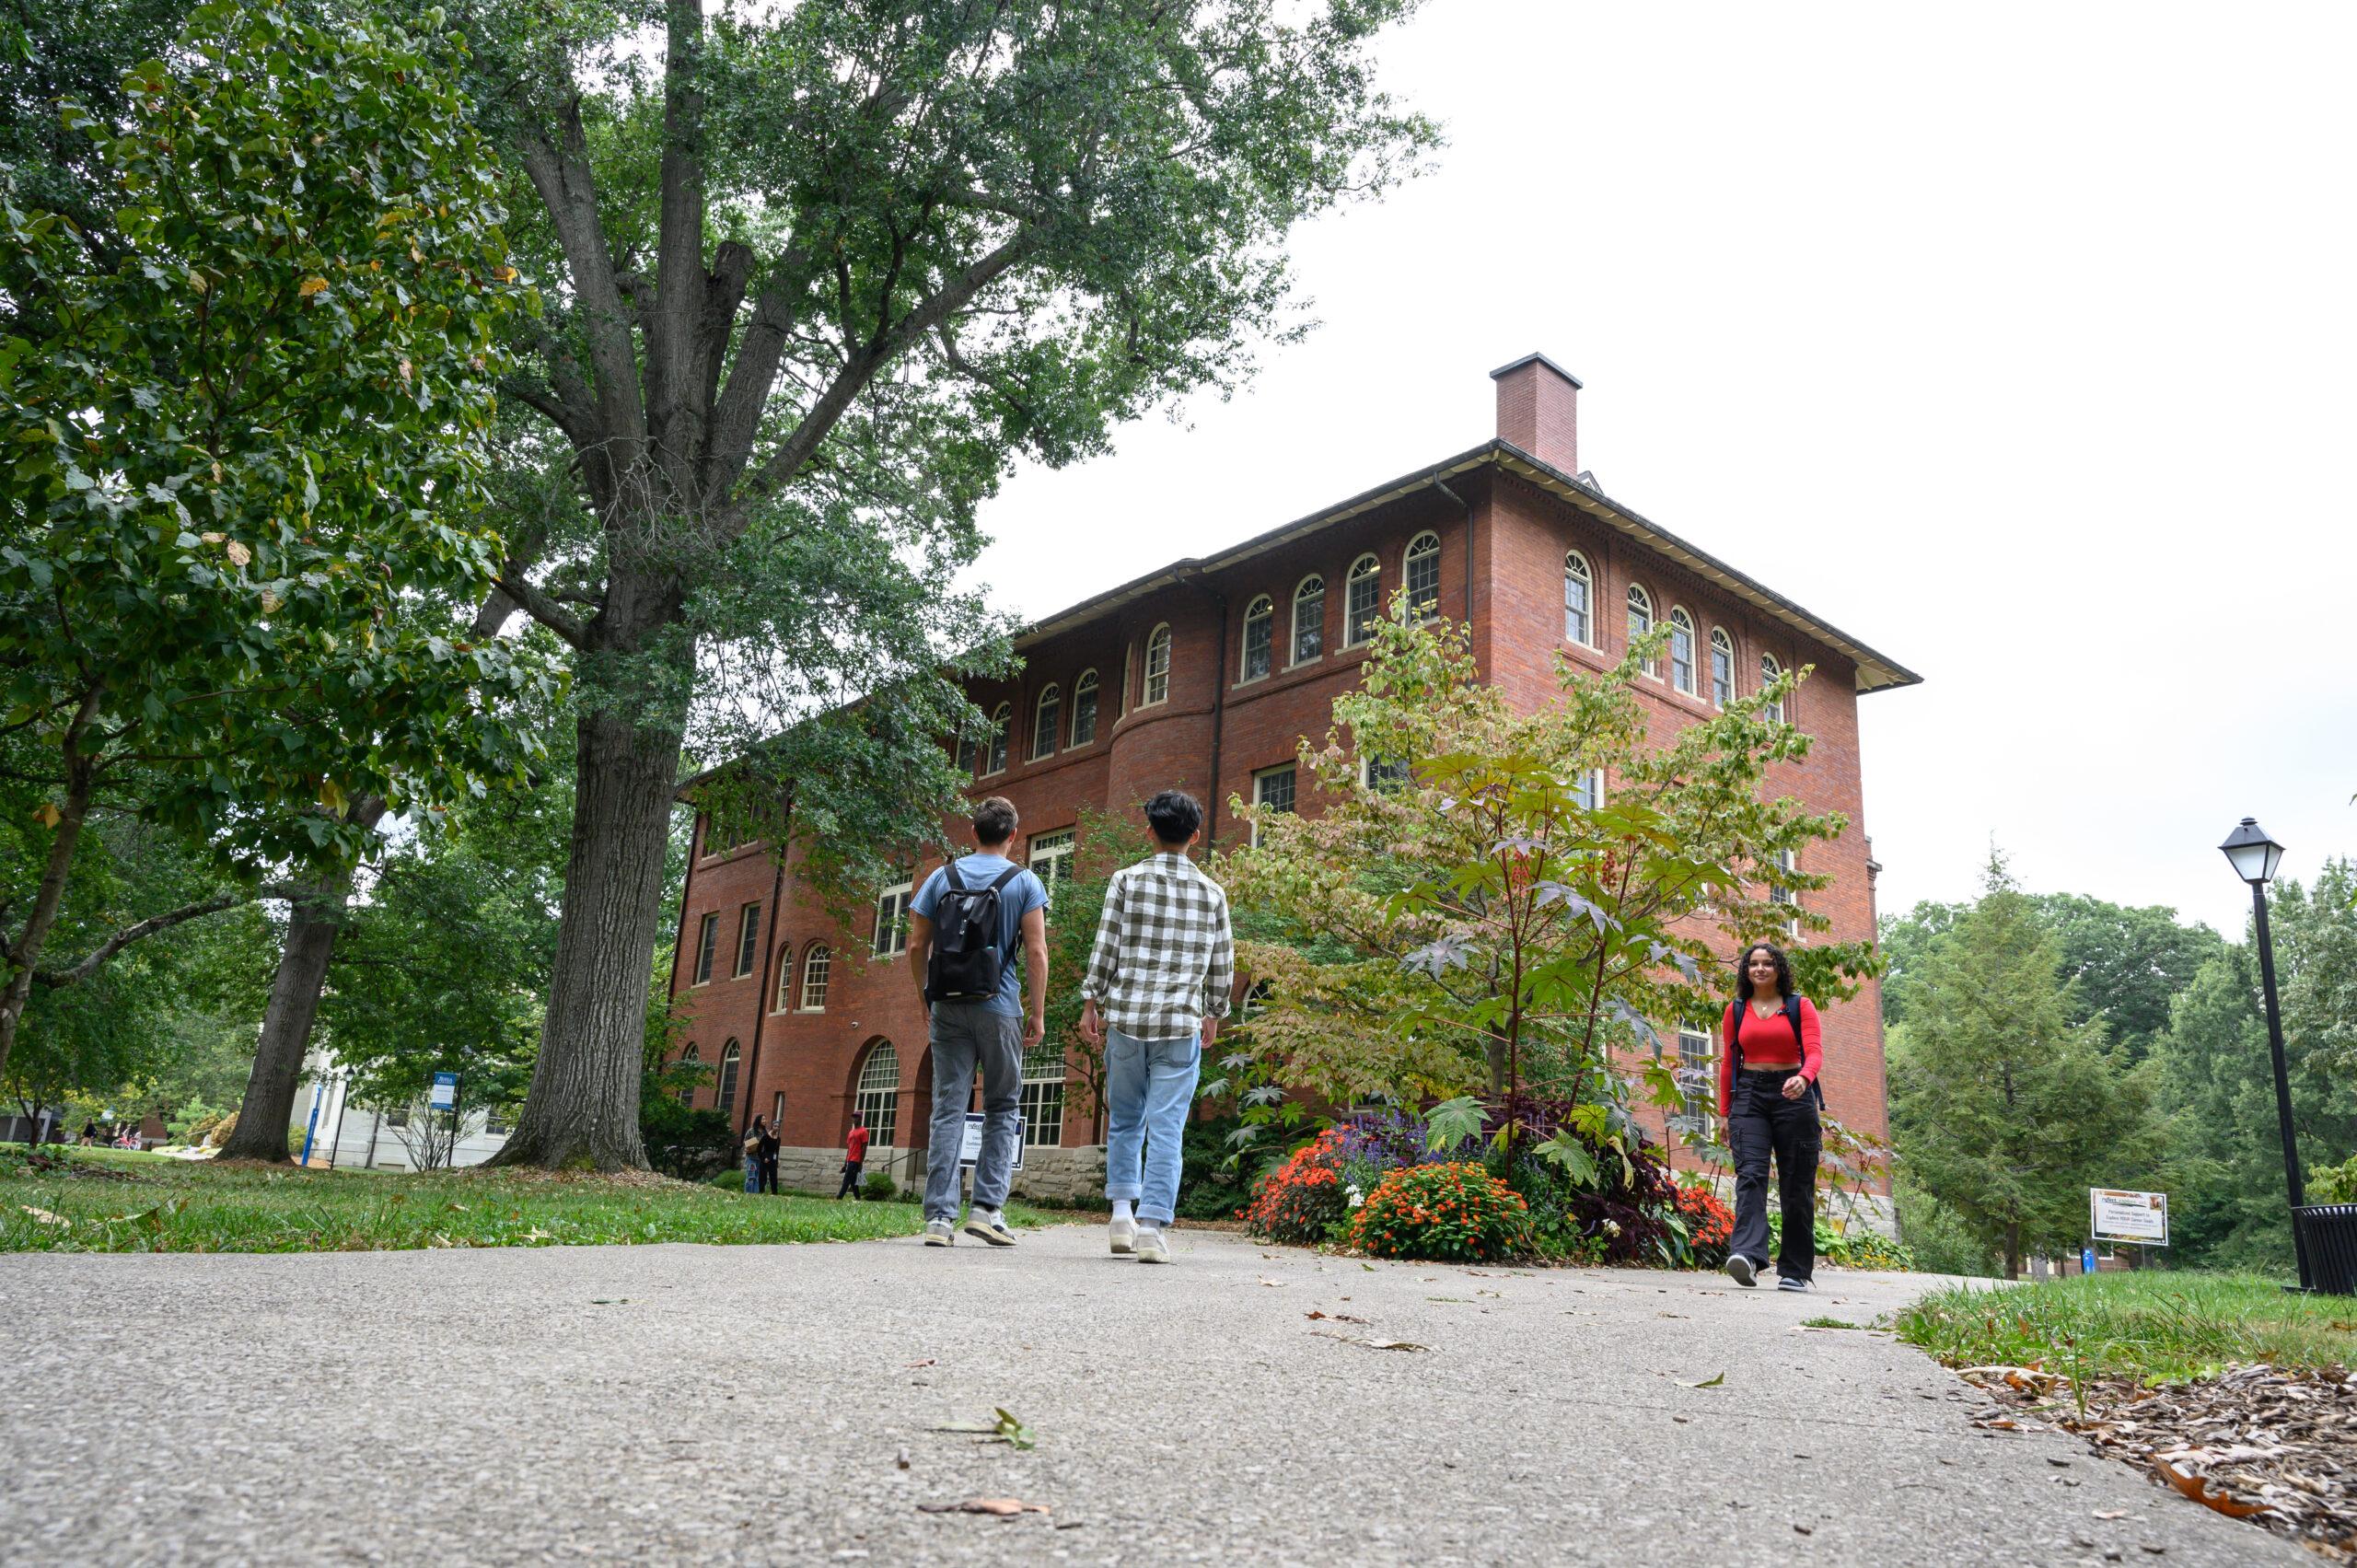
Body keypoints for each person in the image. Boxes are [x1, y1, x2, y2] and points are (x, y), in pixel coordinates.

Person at [1079, 789, 1235, 1265]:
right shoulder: (1212, 893)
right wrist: (1213, 1013)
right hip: (1180, 1025)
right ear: (1194, 835)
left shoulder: (1125, 881)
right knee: (1168, 1128)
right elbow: (1222, 964)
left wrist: (1092, 1002)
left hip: (1127, 1021)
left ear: (1149, 830)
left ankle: (1121, 1216)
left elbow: (1107, 946)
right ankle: (1152, 1228)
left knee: (1124, 1119)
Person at [906, 796, 1050, 1248]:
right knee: (1002, 1106)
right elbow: (1037, 952)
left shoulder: (940, 878)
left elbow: (915, 948)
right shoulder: (1024, 881)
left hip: (947, 1004)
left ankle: (938, 1220)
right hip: (1000, 1006)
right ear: (1013, 836)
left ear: (973, 834)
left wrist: (925, 997)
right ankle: (987, 1211)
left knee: (948, 1107)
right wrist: (1039, 1012)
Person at [1716, 941, 1825, 1292]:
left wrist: (1803, 1078)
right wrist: (1723, 1113)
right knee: (1750, 1175)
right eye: (1753, 964)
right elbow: (1730, 1063)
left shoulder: (1799, 1006)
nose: (1759, 969)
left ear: (1779, 969)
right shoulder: (1735, 1010)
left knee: (1796, 1183)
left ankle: (1794, 1270)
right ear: (1746, 970)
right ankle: (1747, 1256)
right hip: (1749, 1095)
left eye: (1767, 963)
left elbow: (1815, 1053)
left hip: (1793, 1094)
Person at [835, 1121, 870, 1201]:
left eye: (856, 1117)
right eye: (853, 1117)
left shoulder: (863, 1131)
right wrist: (845, 1164)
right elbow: (849, 1148)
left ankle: (839, 1197)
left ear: (860, 1119)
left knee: (846, 1179)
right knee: (853, 1181)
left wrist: (860, 1162)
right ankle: (858, 1198)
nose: (854, 1119)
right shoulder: (851, 1132)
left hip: (856, 1159)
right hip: (850, 1159)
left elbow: (864, 1148)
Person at [741, 1115, 768, 1194]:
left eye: (765, 1119)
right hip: (752, 1158)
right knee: (751, 1176)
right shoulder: (751, 1131)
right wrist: (747, 1148)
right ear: (758, 1120)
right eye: (763, 1119)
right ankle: (748, 1194)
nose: (765, 1121)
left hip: (760, 1159)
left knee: (757, 1177)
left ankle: (755, 1195)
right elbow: (745, 1142)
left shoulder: (765, 1133)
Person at [757, 1116, 782, 1195]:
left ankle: (774, 1193)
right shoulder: (766, 1137)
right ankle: (761, 1192)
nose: (776, 1128)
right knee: (763, 1177)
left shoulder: (778, 1139)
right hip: (765, 1157)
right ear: (772, 1126)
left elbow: (777, 1151)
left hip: (773, 1159)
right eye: (775, 1126)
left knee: (774, 1177)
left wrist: (777, 1160)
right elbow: (759, 1149)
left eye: (778, 1127)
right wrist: (763, 1158)